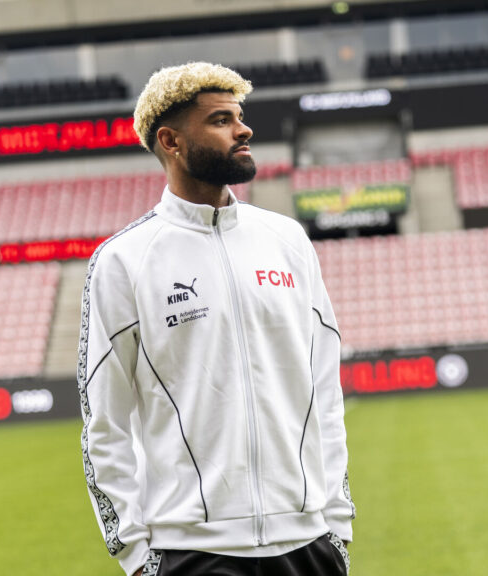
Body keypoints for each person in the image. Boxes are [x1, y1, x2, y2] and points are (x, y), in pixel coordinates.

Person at [78, 62, 355, 576]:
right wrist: (137, 557)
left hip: (308, 546)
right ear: (171, 141)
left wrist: (336, 526)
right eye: (221, 120)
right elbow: (104, 424)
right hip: (193, 554)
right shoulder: (123, 261)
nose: (243, 130)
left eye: (240, 117)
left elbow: (325, 392)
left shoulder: (287, 240)